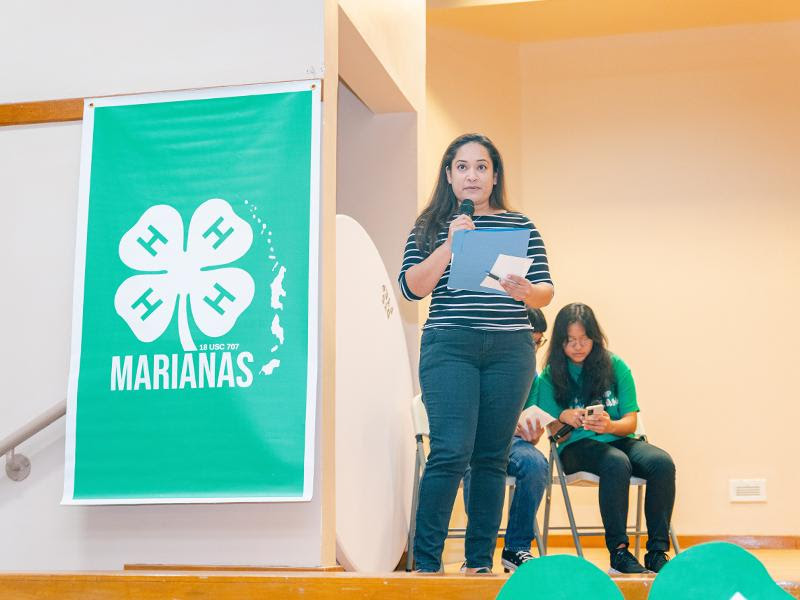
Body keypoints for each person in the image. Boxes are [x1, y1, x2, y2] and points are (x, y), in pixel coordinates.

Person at [398, 133, 554, 574]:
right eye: (462, 166)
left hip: (510, 348)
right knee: (450, 451)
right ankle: (426, 565)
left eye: (481, 166)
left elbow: (545, 290)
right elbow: (411, 288)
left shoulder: (520, 224)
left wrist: (528, 292)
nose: (472, 175)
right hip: (451, 346)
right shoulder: (429, 226)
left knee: (491, 456)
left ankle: (478, 565)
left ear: (494, 175)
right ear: (448, 175)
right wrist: (451, 245)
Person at [533, 303, 676, 574]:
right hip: (576, 447)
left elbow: (630, 422)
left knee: (662, 463)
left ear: (595, 338)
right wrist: (565, 416)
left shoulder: (615, 365)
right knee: (616, 463)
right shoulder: (552, 374)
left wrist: (610, 425)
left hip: (617, 439)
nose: (578, 346)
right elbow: (551, 429)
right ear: (560, 342)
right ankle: (619, 551)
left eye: (584, 339)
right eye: (570, 340)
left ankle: (657, 552)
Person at [462, 308, 550, 572]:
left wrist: (533, 432)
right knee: (479, 466)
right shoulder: (479, 364)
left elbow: (529, 423)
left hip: (513, 443)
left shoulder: (532, 377)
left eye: (538, 343)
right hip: (475, 442)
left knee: (536, 463)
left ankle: (517, 548)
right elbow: (466, 419)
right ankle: (478, 553)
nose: (533, 349)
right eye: (529, 342)